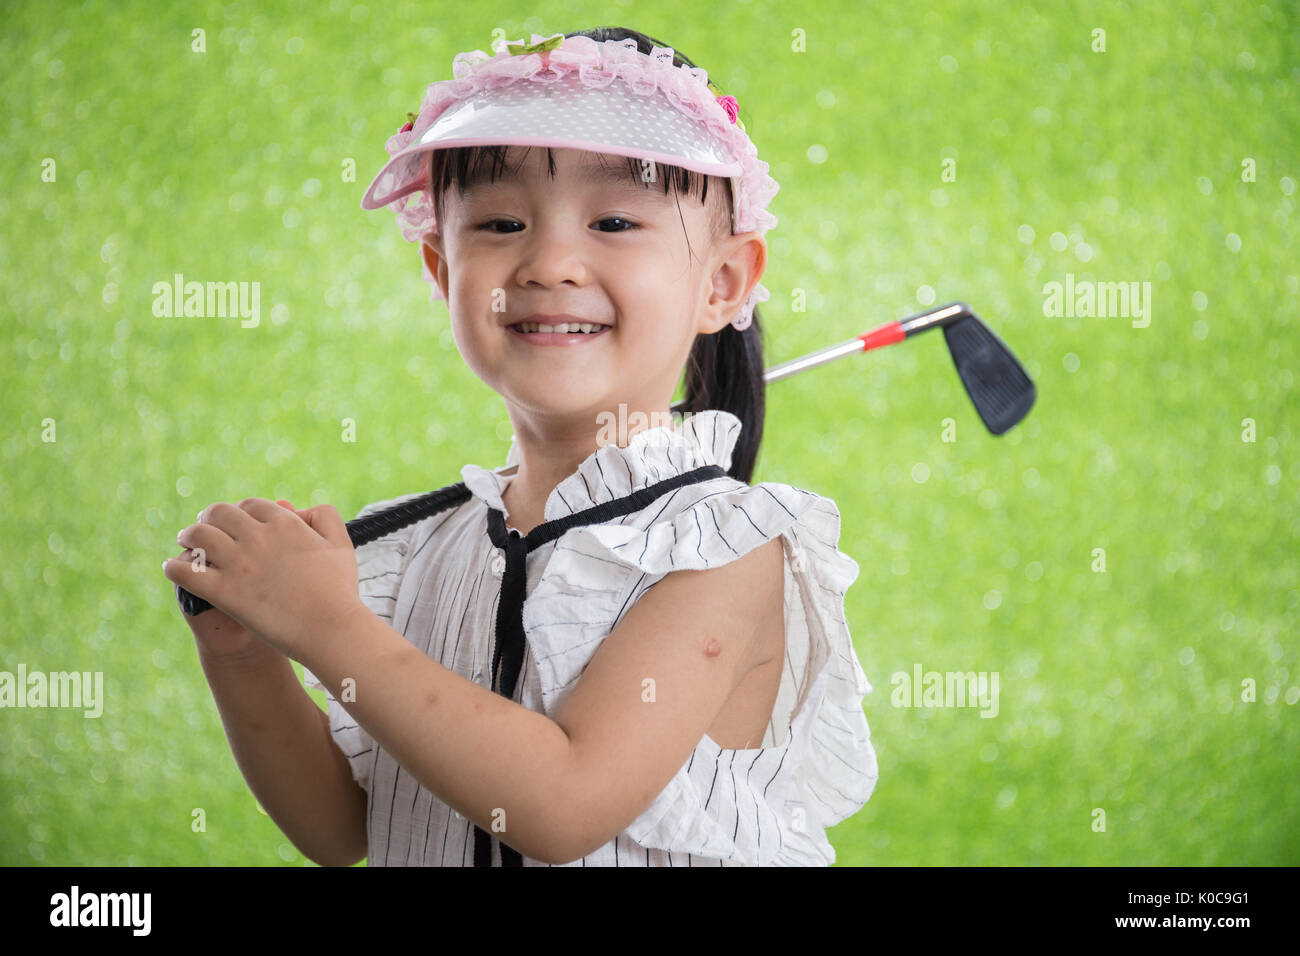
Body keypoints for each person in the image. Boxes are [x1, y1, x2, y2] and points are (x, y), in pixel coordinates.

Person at [167, 25, 878, 866]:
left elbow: (562, 803)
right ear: (442, 273)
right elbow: (343, 828)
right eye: (501, 223)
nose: (549, 262)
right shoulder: (429, 544)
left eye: (614, 220)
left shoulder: (722, 550)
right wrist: (246, 648)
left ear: (721, 284)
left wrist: (325, 625)